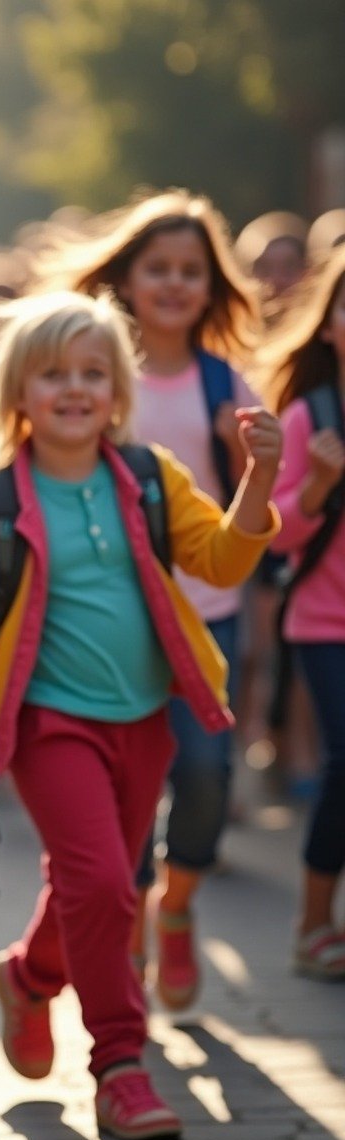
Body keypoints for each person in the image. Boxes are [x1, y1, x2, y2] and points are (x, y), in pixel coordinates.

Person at [0, 291, 280, 1140]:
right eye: (54, 375)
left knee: (106, 889)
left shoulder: (154, 478)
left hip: (147, 719)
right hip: (49, 723)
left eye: (92, 373)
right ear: (19, 393)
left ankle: (27, 975)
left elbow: (223, 561)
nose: (75, 390)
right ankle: (120, 1064)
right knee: (103, 886)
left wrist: (260, 476)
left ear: (117, 390)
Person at [39, 189, 266, 1008]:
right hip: (117, 624)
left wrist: (266, 466)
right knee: (121, 790)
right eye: (158, 268)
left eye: (191, 272)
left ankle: (178, 907)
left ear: (212, 288)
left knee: (205, 774)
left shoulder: (223, 383)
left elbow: (248, 504)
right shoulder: (95, 372)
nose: (173, 284)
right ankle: (127, 948)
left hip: (206, 614)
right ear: (125, 279)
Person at [264, 245, 345, 979]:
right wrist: (317, 487)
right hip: (326, 623)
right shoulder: (308, 418)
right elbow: (277, 531)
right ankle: (315, 919)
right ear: (329, 325)